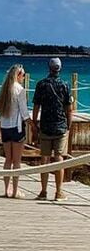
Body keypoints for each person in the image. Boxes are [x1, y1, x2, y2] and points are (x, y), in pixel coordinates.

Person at [31, 57, 73, 201]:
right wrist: (69, 125)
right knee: (59, 158)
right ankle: (59, 192)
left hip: (46, 125)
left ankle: (43, 191)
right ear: (60, 68)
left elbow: (36, 106)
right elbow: (69, 108)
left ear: (49, 68)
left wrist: (34, 124)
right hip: (61, 126)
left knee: (45, 159)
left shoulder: (41, 84)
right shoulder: (65, 85)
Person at [0, 64, 28, 198]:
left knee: (7, 160)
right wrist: (31, 123)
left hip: (5, 127)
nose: (24, 78)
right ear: (19, 75)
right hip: (16, 127)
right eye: (23, 75)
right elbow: (24, 111)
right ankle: (15, 191)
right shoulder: (19, 89)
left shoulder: (4, 90)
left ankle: (6, 190)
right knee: (17, 161)